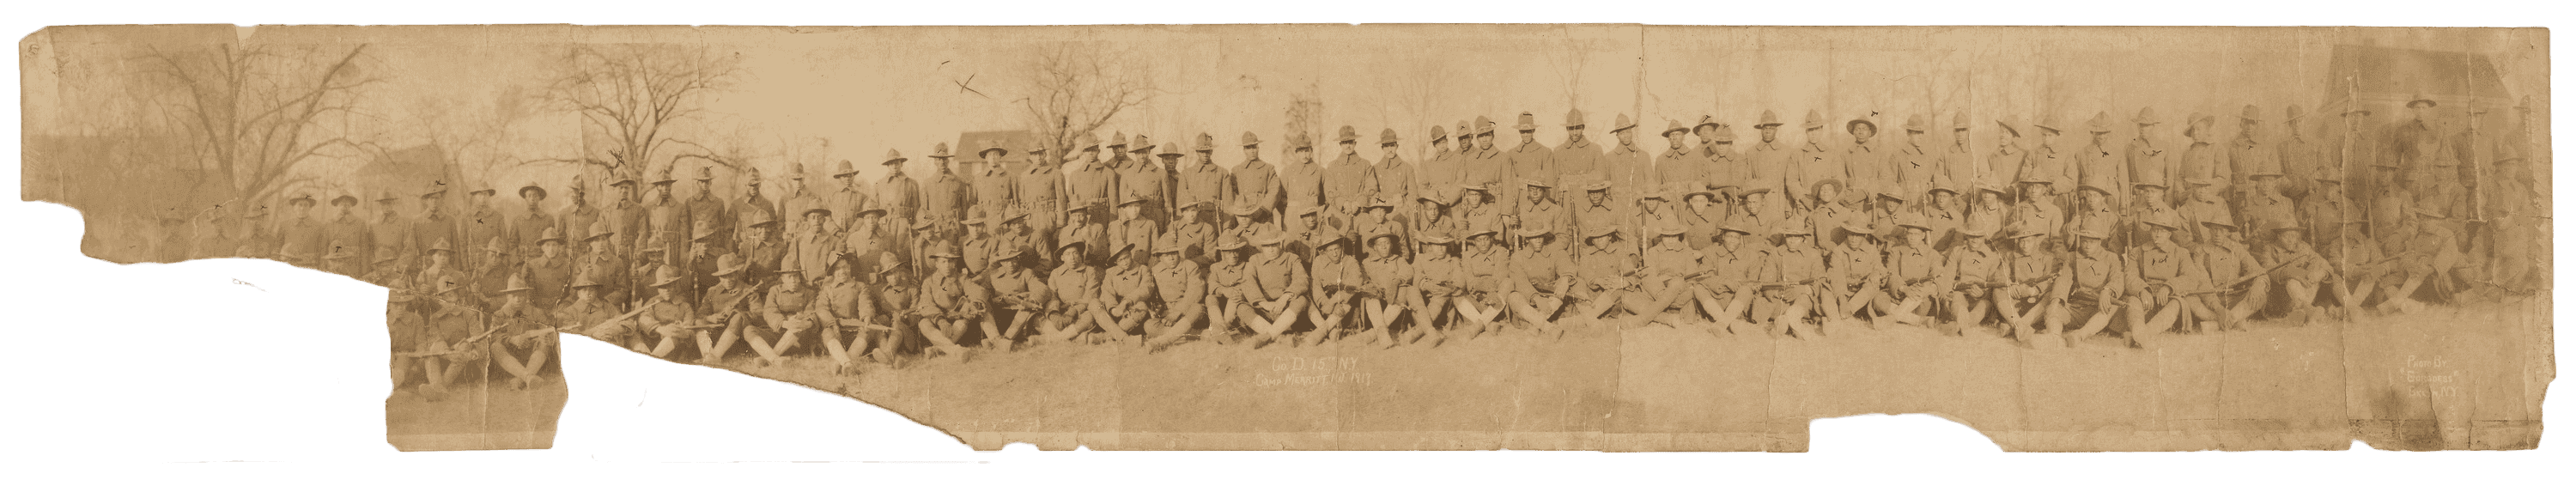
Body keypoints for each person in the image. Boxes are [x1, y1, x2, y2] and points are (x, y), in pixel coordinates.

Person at [2125, 217, 2207, 349]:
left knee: (2177, 304)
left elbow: (2192, 278)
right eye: (2155, 230)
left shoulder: (2180, 253)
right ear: (2150, 232)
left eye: (2162, 231)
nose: (2157, 234)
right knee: (2133, 301)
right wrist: (2142, 290)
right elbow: (2129, 276)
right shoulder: (2137, 252)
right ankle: (2138, 330)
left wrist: (2170, 286)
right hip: (2147, 300)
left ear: (2169, 234)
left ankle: (2143, 335)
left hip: (2169, 299)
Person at [2055, 222, 2131, 348]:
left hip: (2099, 305)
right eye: (2084, 241)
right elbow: (2064, 280)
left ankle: (2079, 336)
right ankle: (2054, 336)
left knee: (2110, 307)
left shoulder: (2111, 257)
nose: (2088, 246)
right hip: (2077, 305)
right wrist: (2058, 300)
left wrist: (2107, 290)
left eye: (2092, 242)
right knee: (2054, 311)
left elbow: (2117, 279)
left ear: (2099, 242)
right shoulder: (2072, 257)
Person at [914, 241, 988, 357]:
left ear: (954, 263)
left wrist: (973, 304)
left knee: (962, 323)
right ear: (937, 264)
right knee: (923, 323)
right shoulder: (929, 282)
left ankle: (938, 350)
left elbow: (978, 291)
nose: (947, 265)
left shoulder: (962, 278)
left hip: (957, 321)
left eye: (950, 261)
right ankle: (955, 350)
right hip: (938, 321)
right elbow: (926, 303)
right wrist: (940, 320)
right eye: (943, 262)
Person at [1996, 221, 2064, 346]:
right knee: (1998, 290)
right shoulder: (2010, 256)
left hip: (2036, 303)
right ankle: (2019, 327)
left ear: (2036, 241)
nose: (2025, 245)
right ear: (2017, 241)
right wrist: (2010, 284)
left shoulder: (2046, 257)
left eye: (2029, 241)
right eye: (2022, 241)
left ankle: (2016, 327)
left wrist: (2036, 289)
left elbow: (2051, 279)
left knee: (2051, 295)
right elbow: (2000, 275)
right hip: (2016, 301)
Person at [484, 273, 556, 390]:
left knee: (545, 342)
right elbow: (493, 335)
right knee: (495, 347)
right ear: (507, 296)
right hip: (509, 359)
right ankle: (527, 377)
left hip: (533, 357)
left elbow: (549, 329)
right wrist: (512, 339)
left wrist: (541, 337)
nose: (517, 299)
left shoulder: (536, 312)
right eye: (513, 295)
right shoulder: (499, 315)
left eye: (521, 295)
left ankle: (520, 379)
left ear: (526, 295)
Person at [1756, 225, 1829, 337]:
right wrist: (1776, 293)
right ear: (1785, 236)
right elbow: (1765, 281)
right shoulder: (1776, 253)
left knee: (1803, 300)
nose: (1792, 241)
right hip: (1781, 298)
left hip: (1804, 297)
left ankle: (1789, 319)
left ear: (1803, 238)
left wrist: (1802, 289)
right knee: (1764, 305)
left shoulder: (1813, 254)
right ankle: (1785, 321)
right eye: (1789, 237)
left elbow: (1820, 280)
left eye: (1797, 237)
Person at [1564, 226, 1643, 328]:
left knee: (1617, 288)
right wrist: (1597, 281)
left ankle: (1583, 320)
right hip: (1592, 295)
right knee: (1577, 282)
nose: (1599, 240)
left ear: (1610, 236)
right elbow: (1583, 271)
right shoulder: (1588, 253)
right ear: (1592, 241)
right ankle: (1591, 319)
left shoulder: (1619, 250)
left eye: (1603, 236)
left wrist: (1623, 281)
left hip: (1612, 296)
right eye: (1596, 237)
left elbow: (1630, 272)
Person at [1695, 220, 1765, 336]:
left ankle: (1722, 323)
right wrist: (1725, 282)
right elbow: (1705, 276)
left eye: (1736, 237)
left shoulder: (1751, 256)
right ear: (1723, 236)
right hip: (1717, 299)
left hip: (1739, 302)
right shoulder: (1711, 252)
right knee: (1698, 288)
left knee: (1747, 290)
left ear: (1741, 239)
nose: (1733, 241)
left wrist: (1744, 285)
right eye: (1729, 236)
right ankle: (1728, 321)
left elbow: (1752, 283)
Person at [1502, 221, 1572, 333]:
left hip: (1550, 299)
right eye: (1534, 237)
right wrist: (1536, 298)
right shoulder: (1518, 257)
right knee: (1513, 297)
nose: (1538, 240)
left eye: (1540, 236)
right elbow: (1520, 282)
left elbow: (1566, 265)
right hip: (1528, 300)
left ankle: (1534, 325)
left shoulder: (1553, 251)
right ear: (1527, 239)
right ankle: (1549, 328)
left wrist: (1564, 279)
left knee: (1560, 292)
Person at [1142, 232, 1206, 351]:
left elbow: (1195, 291)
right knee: (1149, 326)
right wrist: (1153, 309)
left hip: (1188, 312)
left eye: (1173, 253)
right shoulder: (1156, 270)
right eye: (1166, 255)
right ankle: (1201, 335)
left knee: (1198, 308)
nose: (1171, 258)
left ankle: (1162, 341)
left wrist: (1177, 312)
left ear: (1178, 253)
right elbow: (1152, 295)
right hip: (1168, 313)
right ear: (1160, 257)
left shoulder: (1190, 266)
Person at [690, 253, 758, 365]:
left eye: (731, 275)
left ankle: (714, 357)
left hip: (738, 338)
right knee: (699, 322)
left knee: (737, 317)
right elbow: (700, 315)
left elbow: (758, 314)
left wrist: (737, 314)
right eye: (724, 276)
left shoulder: (748, 290)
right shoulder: (712, 291)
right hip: (716, 337)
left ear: (737, 274)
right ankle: (708, 355)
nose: (728, 280)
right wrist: (711, 318)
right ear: (719, 277)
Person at [1938, 222, 2002, 336]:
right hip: (1960, 293)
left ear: (1984, 236)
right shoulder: (1958, 251)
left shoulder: (1992, 257)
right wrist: (1945, 298)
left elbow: (1993, 286)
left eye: (1979, 237)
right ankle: (1964, 324)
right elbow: (1947, 277)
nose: (1975, 240)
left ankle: (1958, 326)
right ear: (1966, 236)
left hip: (1980, 298)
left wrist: (1982, 294)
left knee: (1984, 306)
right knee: (1957, 300)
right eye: (1972, 236)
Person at [1354, 231, 1415, 347]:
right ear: (1375, 248)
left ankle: (1374, 333)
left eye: (1386, 243)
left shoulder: (1398, 260)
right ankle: (1382, 333)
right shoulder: (1367, 262)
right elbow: (1363, 277)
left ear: (1391, 245)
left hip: (1393, 297)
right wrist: (1370, 286)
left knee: (1402, 293)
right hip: (1376, 295)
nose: (1383, 247)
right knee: (1370, 296)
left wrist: (1397, 281)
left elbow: (1408, 271)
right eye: (1379, 244)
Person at [1303, 228, 1364, 345]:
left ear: (1342, 247)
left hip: (1343, 304)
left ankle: (1322, 331)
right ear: (1325, 251)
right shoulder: (1318, 261)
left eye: (1337, 249)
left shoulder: (1351, 262)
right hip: (1323, 304)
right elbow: (1316, 286)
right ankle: (1333, 330)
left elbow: (1353, 286)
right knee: (1307, 300)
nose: (1335, 253)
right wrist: (1325, 303)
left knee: (1348, 301)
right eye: (1330, 250)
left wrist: (1332, 303)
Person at [1822, 221, 1887, 329]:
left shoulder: (1871, 250)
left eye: (1858, 236)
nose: (1854, 239)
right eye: (1851, 234)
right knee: (1825, 289)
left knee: (1873, 284)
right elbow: (1838, 277)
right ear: (1846, 233)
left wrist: (1876, 272)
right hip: (1843, 292)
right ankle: (1836, 318)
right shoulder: (1838, 251)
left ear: (1864, 236)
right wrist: (1842, 301)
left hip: (1863, 294)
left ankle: (1845, 315)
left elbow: (1880, 267)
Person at [1453, 228, 1512, 337]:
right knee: (1457, 296)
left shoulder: (1500, 252)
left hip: (1497, 299)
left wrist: (1487, 287)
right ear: (1474, 242)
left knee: (1508, 283)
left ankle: (1479, 325)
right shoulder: (1467, 256)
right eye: (1479, 240)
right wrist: (1483, 287)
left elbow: (1500, 276)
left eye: (1486, 239)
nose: (1483, 243)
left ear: (1491, 239)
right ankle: (1489, 324)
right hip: (1478, 298)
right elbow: (1470, 282)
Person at [1040, 241, 1103, 343]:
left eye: (1075, 253)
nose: (1072, 257)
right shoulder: (1055, 273)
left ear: (1080, 255)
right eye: (1068, 254)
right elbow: (1052, 296)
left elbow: (1090, 296)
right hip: (1061, 311)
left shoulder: (1089, 271)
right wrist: (1054, 314)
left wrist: (1074, 311)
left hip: (1082, 310)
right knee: (1040, 319)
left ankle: (1057, 338)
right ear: (1062, 258)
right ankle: (1074, 337)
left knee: (1090, 317)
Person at [1322, 126, 1379, 224]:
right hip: (1338, 213)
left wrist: (1359, 203)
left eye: (1350, 142)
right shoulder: (1332, 166)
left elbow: (1372, 188)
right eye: (1345, 143)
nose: (1348, 146)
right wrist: (1343, 204)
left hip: (1361, 212)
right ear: (1340, 144)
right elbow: (1329, 190)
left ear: (1355, 143)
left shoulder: (1365, 164)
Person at [1506, 112, 1556, 208]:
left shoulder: (1545, 152)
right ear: (1519, 132)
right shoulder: (1511, 154)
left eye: (1528, 131)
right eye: (1522, 132)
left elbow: (1550, 182)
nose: (1525, 134)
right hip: (1519, 199)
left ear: (1533, 130)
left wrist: (1547, 205)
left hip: (1538, 200)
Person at [1842, 116, 1893, 207]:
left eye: (1864, 129)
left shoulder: (1879, 154)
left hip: (1874, 201)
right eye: (1857, 129)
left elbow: (1886, 179)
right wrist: (1844, 198)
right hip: (1851, 202)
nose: (1861, 132)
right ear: (1853, 132)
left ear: (1870, 132)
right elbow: (1840, 180)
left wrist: (1865, 193)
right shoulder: (1845, 154)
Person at [1373, 129, 1418, 228]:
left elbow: (1413, 195)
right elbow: (1373, 195)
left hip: (1403, 212)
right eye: (1386, 146)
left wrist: (1405, 205)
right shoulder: (1375, 169)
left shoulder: (1407, 167)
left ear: (1397, 146)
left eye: (1392, 145)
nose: (1390, 149)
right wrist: (1385, 202)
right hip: (1384, 214)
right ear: (1382, 148)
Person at [924, 143, 973, 230]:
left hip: (954, 227)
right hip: (935, 228)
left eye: (945, 159)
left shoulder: (959, 182)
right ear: (935, 161)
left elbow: (965, 210)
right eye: (939, 159)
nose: (942, 162)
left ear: (948, 160)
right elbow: (924, 212)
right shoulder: (928, 183)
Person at [525, 227, 574, 311]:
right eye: (548, 245)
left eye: (554, 245)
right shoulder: (532, 265)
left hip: (561, 308)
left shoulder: (567, 265)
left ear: (559, 247)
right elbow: (529, 293)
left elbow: (573, 291)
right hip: (538, 308)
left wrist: (566, 303)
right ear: (542, 247)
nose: (551, 249)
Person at [878, 149, 924, 223]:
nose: (894, 166)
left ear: (901, 164)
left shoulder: (911, 183)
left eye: (897, 163)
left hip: (904, 225)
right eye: (891, 164)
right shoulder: (879, 184)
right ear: (888, 166)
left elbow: (916, 208)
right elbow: (875, 210)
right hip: (885, 225)